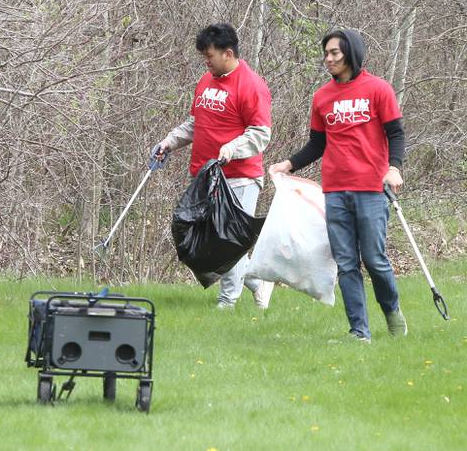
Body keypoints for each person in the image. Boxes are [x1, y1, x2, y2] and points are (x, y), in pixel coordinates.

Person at [269, 29, 406, 342]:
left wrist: (394, 168)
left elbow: (396, 134)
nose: (328, 58)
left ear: (351, 53)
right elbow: (317, 144)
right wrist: (288, 164)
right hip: (335, 191)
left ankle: (392, 310)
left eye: (334, 53)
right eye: (326, 53)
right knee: (346, 263)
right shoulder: (322, 96)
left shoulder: (378, 89)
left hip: (371, 189)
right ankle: (360, 331)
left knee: (374, 260)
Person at [154, 23, 274, 309]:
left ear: (228, 53)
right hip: (206, 177)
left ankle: (227, 302)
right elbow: (197, 123)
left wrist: (232, 149)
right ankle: (257, 281)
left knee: (229, 241)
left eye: (209, 56)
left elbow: (261, 133)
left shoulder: (251, 85)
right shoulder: (206, 81)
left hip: (239, 178)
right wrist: (169, 142)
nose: (206, 62)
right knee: (206, 241)